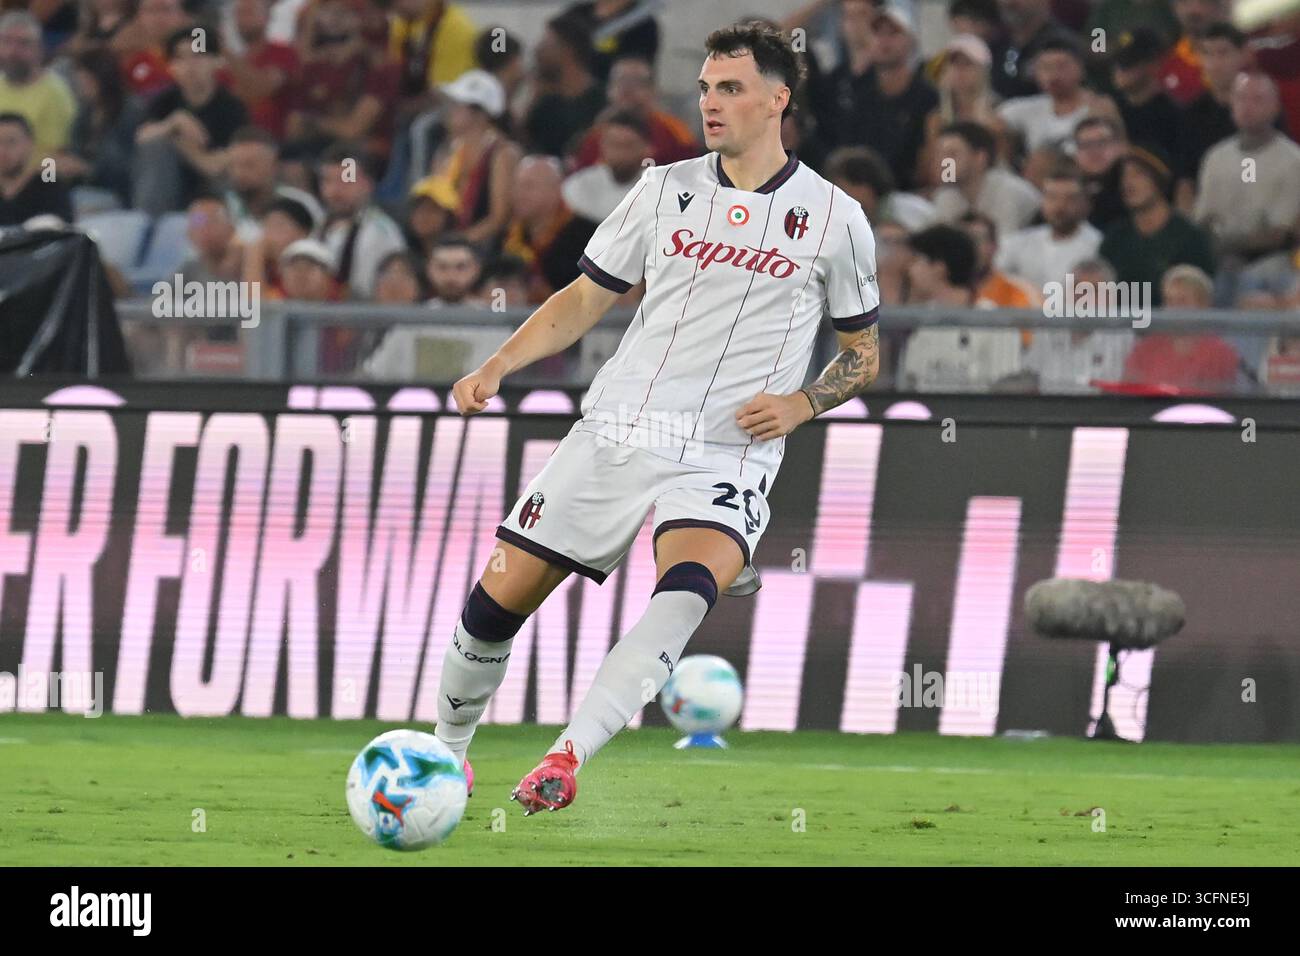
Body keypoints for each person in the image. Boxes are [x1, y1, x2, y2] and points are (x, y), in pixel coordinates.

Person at [435, 22, 881, 813]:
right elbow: (583, 299)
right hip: (618, 427)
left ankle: (565, 758)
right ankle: (447, 754)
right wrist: (499, 364)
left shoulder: (837, 218)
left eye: (731, 88)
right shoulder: (663, 189)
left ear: (778, 99)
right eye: (706, 87)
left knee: (683, 590)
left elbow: (863, 354)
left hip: (727, 451)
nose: (711, 102)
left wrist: (803, 402)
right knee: (493, 607)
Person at [132, 25, 249, 215]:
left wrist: (178, 141)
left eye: (197, 56)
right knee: (155, 146)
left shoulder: (231, 107)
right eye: (180, 58)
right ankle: (150, 221)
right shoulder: (165, 101)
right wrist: (174, 122)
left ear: (216, 61)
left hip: (211, 198)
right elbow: (142, 139)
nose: (190, 65)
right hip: (168, 188)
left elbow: (215, 167)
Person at [1099, 145, 1215, 305]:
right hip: (1122, 327)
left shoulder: (1190, 238)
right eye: (1124, 176)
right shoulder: (1115, 238)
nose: (1128, 183)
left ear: (1159, 179)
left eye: (1138, 174)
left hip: (1174, 327)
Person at [317, 143, 407, 298]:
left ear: (367, 184)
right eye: (328, 181)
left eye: (345, 181)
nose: (334, 191)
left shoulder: (381, 232)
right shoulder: (320, 225)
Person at [997, 160, 1101, 291]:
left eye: (1070, 198)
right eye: (1052, 197)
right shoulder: (1020, 242)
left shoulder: (1097, 245)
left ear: (1085, 203)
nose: (1060, 206)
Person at [931, 120, 1041, 237]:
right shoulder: (945, 195)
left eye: (952, 154)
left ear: (980, 158)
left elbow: (1006, 248)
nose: (942, 162)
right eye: (939, 154)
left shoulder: (1009, 192)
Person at [0, 11, 77, 157]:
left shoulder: (54, 94)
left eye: (23, 43)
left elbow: (55, 158)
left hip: (36, 176)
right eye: (6, 42)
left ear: (39, 49)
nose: (12, 51)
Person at [561, 108, 650, 223]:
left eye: (628, 145)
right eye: (614, 145)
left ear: (647, 149)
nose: (620, 154)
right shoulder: (578, 186)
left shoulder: (662, 189)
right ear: (602, 146)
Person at [0, 111, 72, 225]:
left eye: (11, 142)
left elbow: (62, 227)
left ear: (29, 144)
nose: (3, 150)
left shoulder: (48, 185)